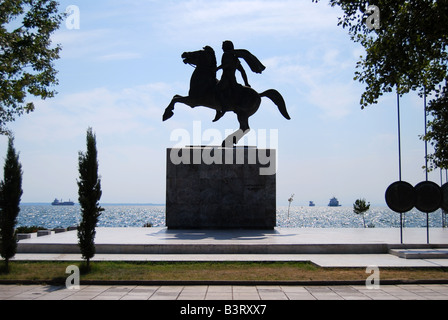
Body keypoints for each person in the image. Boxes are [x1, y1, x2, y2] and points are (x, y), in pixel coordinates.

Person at [214, 40, 265, 122]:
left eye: (223, 46)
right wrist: (246, 83)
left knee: (216, 90)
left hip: (226, 79)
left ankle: (221, 110)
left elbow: (226, 65)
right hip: (233, 80)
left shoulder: (226, 54)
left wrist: (216, 69)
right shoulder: (235, 58)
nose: (222, 48)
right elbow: (242, 71)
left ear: (226, 47)